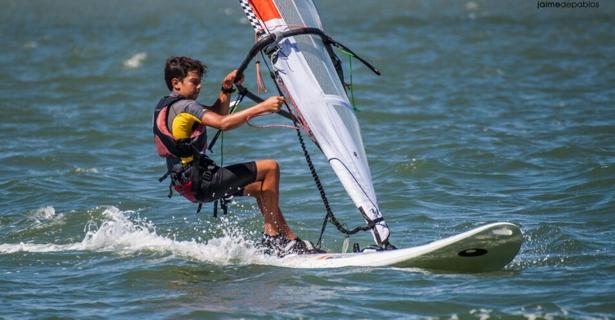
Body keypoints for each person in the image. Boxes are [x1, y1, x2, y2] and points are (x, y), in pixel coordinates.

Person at [153, 56, 321, 256]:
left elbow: (217, 113)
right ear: (176, 83)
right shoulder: (187, 106)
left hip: (186, 184)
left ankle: (290, 239)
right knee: (270, 168)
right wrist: (263, 107)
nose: (199, 87)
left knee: (263, 187)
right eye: (194, 82)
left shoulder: (169, 106)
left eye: (200, 82)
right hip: (202, 181)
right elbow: (224, 123)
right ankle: (272, 238)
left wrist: (226, 88)